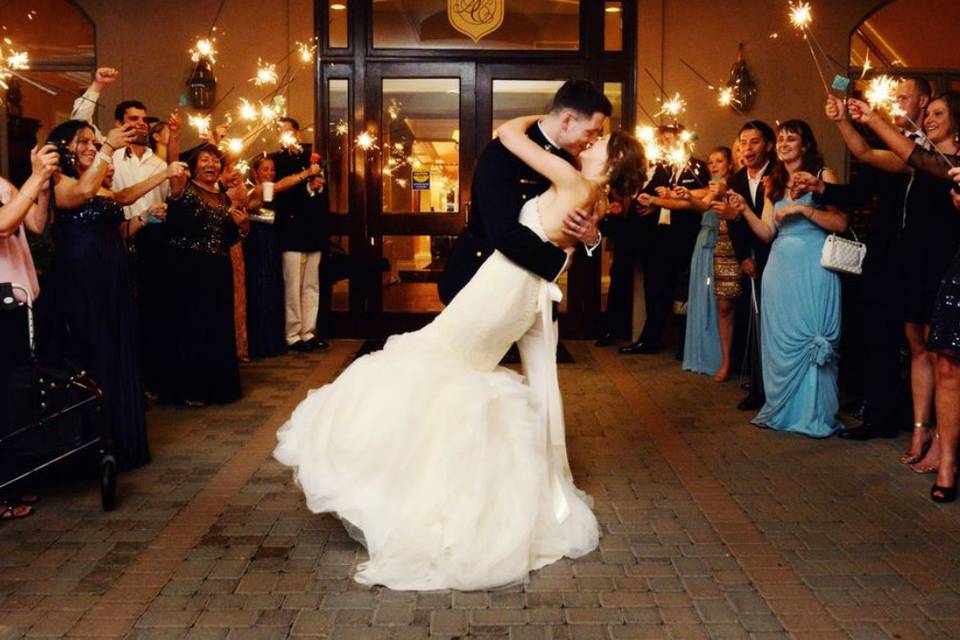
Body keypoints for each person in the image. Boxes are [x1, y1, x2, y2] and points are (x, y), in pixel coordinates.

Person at [275, 109, 642, 590]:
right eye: (590, 132)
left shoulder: (576, 184)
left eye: (599, 140)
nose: (590, 140)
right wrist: (586, 236)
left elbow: (508, 132)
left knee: (438, 366)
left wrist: (549, 119)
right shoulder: (586, 193)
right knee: (451, 372)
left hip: (505, 291)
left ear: (611, 162)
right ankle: (504, 488)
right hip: (510, 290)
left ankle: (408, 487)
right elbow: (561, 240)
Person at [844, 94, 960, 500]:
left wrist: (874, 117)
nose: (929, 120)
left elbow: (913, 153)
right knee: (919, 349)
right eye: (926, 115)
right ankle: (921, 429)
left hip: (946, 267)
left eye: (938, 114)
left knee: (947, 360)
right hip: (913, 265)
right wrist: (849, 119)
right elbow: (872, 153)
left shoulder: (947, 165)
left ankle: (945, 447)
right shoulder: (919, 160)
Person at [818, 79, 931, 449]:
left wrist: (858, 120)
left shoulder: (930, 154)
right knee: (878, 337)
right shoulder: (893, 147)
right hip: (884, 256)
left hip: (922, 258)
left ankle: (916, 420)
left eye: (903, 98)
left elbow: (871, 153)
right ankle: (881, 414)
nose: (896, 103)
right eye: (893, 97)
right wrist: (822, 189)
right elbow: (863, 172)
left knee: (921, 347)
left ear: (924, 102)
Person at [46, 119, 162, 470]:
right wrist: (109, 147)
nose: (91, 147)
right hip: (82, 281)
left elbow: (119, 220)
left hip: (112, 277)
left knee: (117, 349)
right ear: (63, 147)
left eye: (93, 143)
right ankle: (91, 444)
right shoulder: (59, 182)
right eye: (83, 142)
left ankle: (121, 439)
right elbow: (79, 195)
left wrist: (143, 218)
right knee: (92, 352)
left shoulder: (100, 185)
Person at [731, 120, 847, 438]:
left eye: (791, 139)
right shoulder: (774, 182)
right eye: (780, 139)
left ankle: (812, 414)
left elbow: (840, 221)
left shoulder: (823, 176)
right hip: (779, 270)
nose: (783, 144)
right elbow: (767, 232)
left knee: (811, 336)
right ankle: (783, 409)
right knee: (780, 340)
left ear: (805, 145)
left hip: (813, 268)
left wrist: (804, 211)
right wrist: (744, 209)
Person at [159, 145, 246, 406]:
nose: (211, 165)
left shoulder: (223, 196)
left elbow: (229, 237)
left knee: (217, 325)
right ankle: (192, 388)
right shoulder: (183, 188)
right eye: (204, 160)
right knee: (192, 326)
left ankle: (219, 388)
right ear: (193, 165)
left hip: (217, 267)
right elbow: (173, 169)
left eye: (215, 161)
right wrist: (174, 138)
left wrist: (241, 227)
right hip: (186, 267)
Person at [0, 144, 58, 520]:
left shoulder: (3, 184)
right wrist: (35, 175)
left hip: (18, 304)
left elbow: (33, 225)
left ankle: (11, 480)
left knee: (12, 398)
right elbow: (3, 225)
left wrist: (44, 184)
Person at [718, 121, 776, 410]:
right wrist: (743, 258)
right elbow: (735, 224)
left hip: (779, 254)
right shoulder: (738, 179)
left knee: (777, 323)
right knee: (756, 321)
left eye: (755, 142)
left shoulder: (778, 175)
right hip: (753, 257)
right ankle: (758, 388)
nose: (748, 148)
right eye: (743, 143)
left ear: (768, 144)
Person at [675, 147, 738, 380]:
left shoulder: (728, 185)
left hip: (720, 244)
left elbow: (703, 205)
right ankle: (704, 355)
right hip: (704, 243)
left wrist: (690, 197)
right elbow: (698, 202)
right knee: (703, 293)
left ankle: (720, 358)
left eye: (719, 161)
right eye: (710, 161)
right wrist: (677, 196)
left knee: (717, 298)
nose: (713, 165)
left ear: (730, 164)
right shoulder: (712, 185)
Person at [271, 118, 328, 353]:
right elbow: (276, 189)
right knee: (292, 284)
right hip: (289, 230)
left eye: (288, 131)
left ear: (297, 132)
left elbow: (318, 190)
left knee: (311, 285)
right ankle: (293, 334)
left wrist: (316, 185)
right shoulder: (276, 160)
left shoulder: (311, 157)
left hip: (312, 229)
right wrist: (306, 175)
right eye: (280, 132)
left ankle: (309, 331)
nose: (285, 135)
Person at [243, 156, 287, 358]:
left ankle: (275, 341)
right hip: (256, 243)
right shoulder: (250, 189)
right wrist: (260, 202)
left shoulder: (275, 189)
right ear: (255, 172)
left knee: (273, 288)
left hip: (273, 242)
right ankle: (260, 342)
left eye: (272, 169)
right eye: (265, 169)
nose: (269, 173)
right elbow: (246, 211)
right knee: (259, 288)